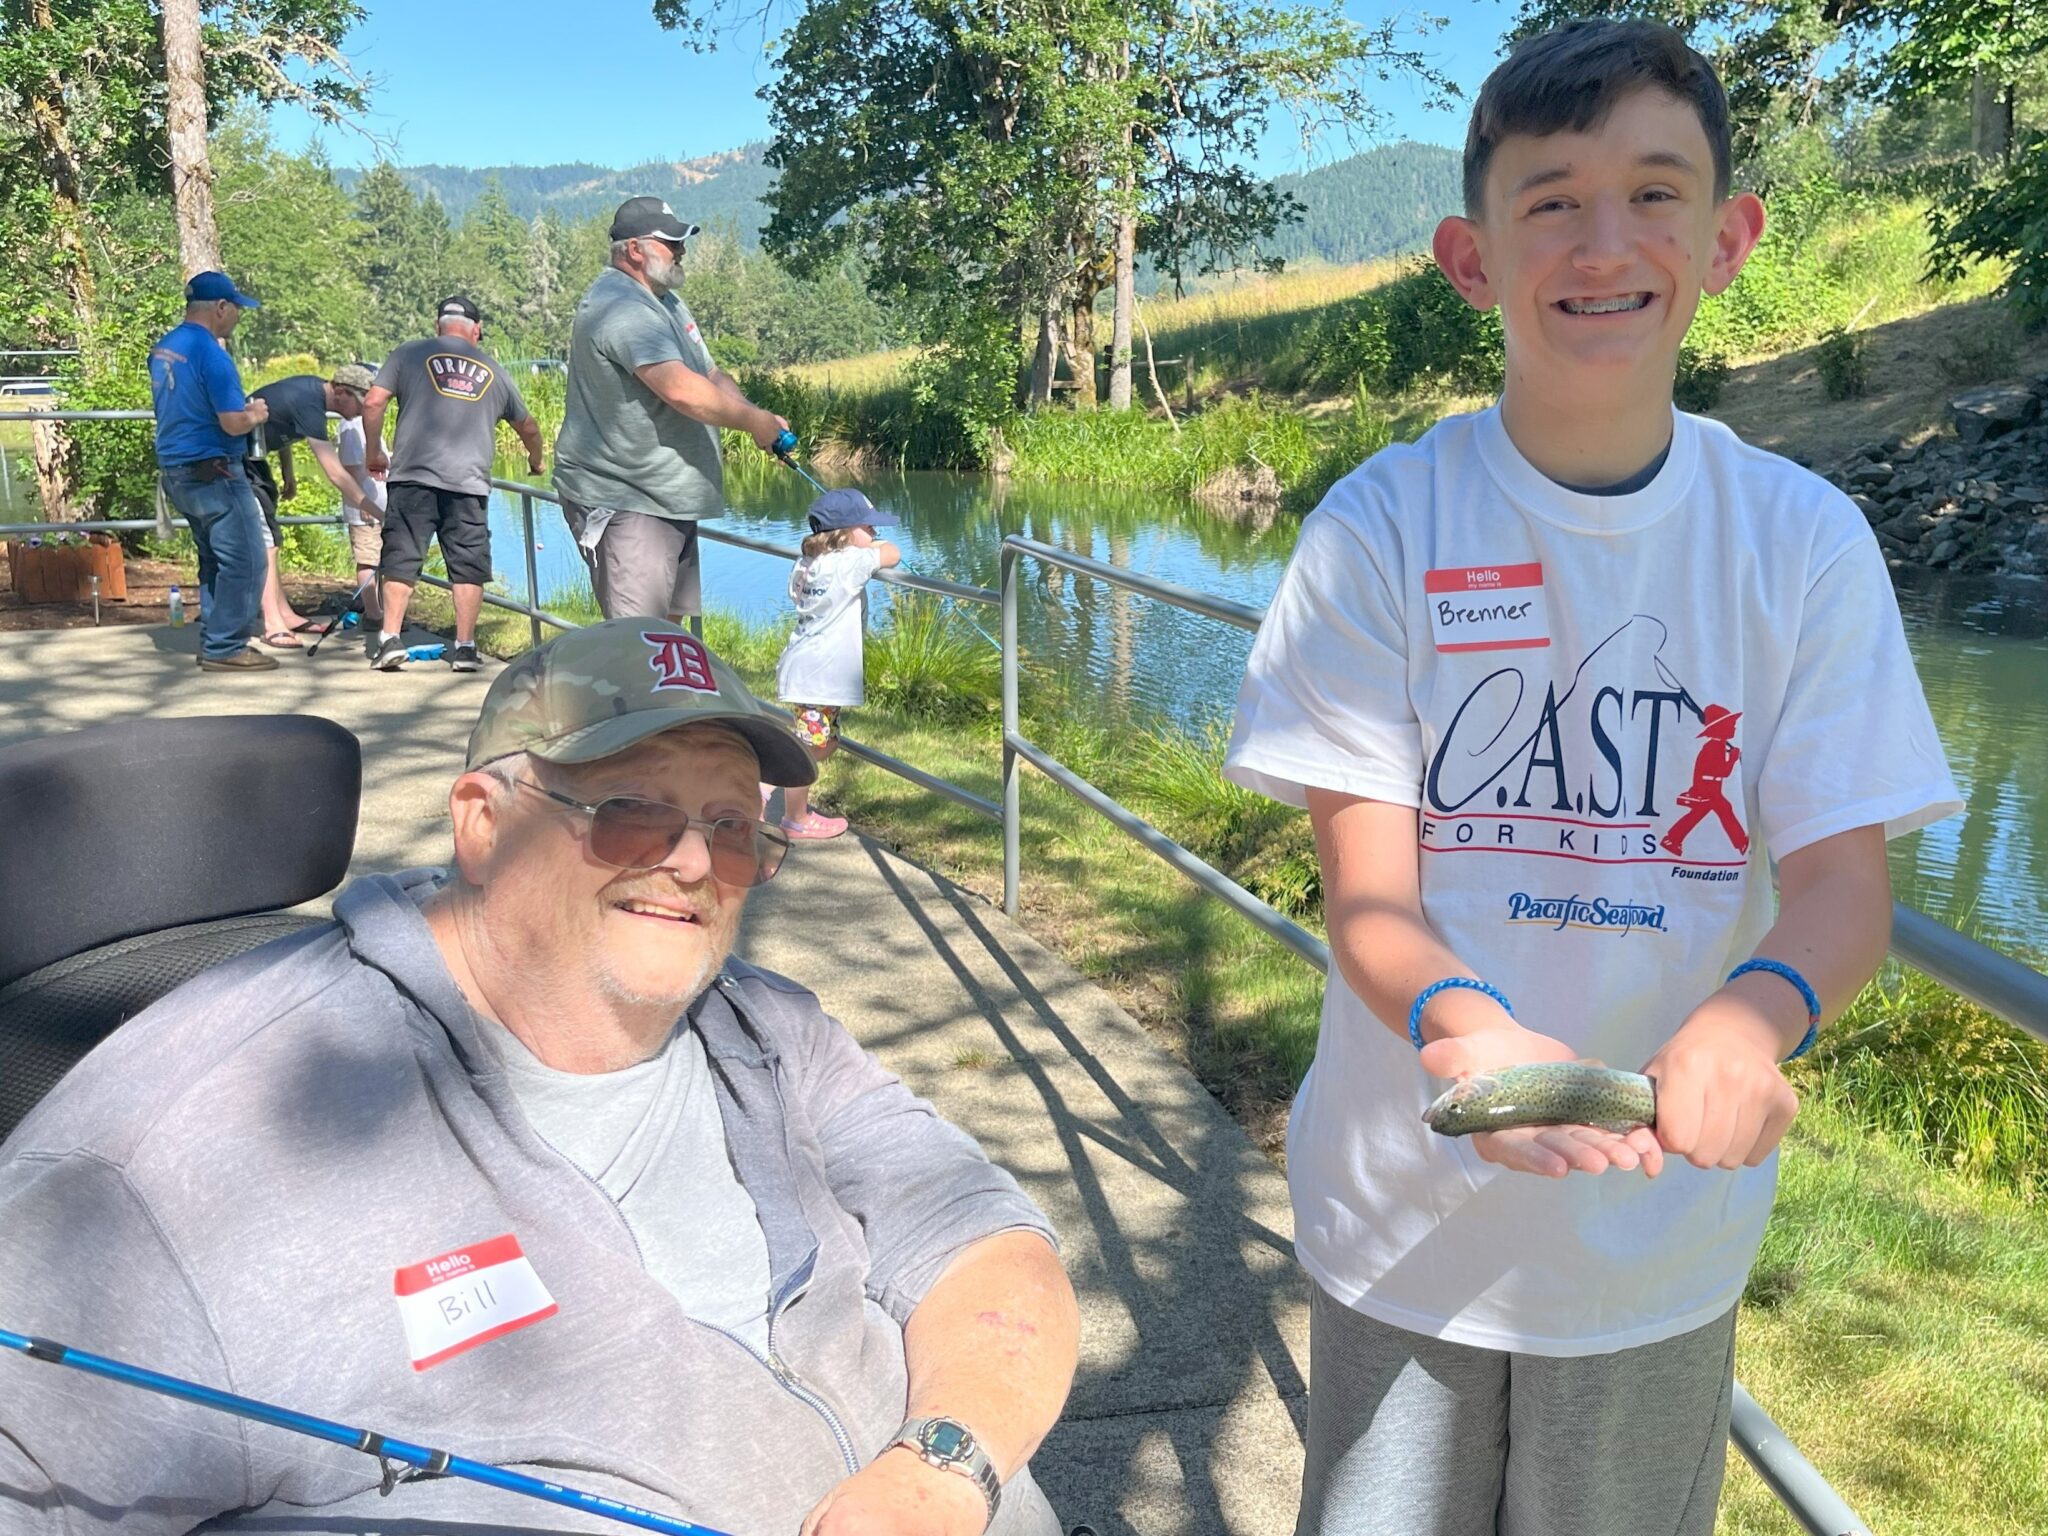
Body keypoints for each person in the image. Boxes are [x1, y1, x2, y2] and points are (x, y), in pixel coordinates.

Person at [1222, 20, 1961, 1535]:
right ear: (1470, 256)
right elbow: (1367, 893)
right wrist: (1462, 1030)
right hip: (1401, 1220)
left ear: (1730, 235)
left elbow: (1841, 892)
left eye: (1654, 192)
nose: (1603, 243)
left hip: (1658, 1249)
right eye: (1550, 199)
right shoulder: (1378, 530)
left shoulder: (1805, 543)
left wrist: (1762, 1014)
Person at [0, 618, 1079, 1536]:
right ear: (482, 820)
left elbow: (981, 1238)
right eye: (631, 812)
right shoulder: (159, 1170)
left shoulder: (764, 1022)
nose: (693, 864)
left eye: (731, 828)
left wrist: (940, 1470)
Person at [555, 196, 790, 624]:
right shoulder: (621, 305)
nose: (681, 250)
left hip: (667, 499)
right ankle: (626, 695)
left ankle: (665, 695)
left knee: (668, 638)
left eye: (681, 241)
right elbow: (680, 389)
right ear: (634, 249)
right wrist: (752, 423)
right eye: (670, 242)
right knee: (639, 642)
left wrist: (758, 417)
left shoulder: (665, 301)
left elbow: (710, 374)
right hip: (627, 499)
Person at [361, 297, 546, 673]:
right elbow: (527, 426)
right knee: (468, 566)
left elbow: (372, 402)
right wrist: (536, 459)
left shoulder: (408, 354)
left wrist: (374, 452)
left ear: (438, 326)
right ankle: (464, 647)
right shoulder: (494, 369)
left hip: (413, 476)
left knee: (401, 557)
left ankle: (391, 639)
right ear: (476, 330)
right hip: (468, 483)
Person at [146, 270, 275, 672]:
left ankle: (215, 637)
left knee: (214, 558)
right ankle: (225, 647)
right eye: (236, 308)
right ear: (220, 308)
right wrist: (254, 414)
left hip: (176, 468)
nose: (238, 316)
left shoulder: (164, 347)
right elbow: (232, 422)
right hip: (216, 470)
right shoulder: (212, 355)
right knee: (249, 560)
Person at [771, 488, 901, 840]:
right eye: (868, 527)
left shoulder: (807, 564)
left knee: (824, 742)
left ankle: (770, 782)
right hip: (819, 674)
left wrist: (861, 546)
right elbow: (893, 554)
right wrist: (873, 549)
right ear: (844, 534)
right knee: (809, 746)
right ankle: (792, 812)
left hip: (805, 667)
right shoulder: (848, 564)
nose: (875, 533)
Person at [242, 362, 380, 649]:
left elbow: (282, 426)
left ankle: (286, 615)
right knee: (266, 542)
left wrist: (288, 473)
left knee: (273, 538)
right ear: (341, 392)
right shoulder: (310, 401)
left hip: (253, 463)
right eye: (360, 403)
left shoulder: (309, 393)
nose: (362, 411)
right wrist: (375, 508)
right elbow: (335, 472)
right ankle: (273, 625)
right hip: (233, 462)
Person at [335, 382, 387, 627]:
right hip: (365, 508)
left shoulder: (366, 424)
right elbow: (351, 467)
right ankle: (373, 612)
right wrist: (364, 503)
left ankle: (384, 608)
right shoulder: (351, 425)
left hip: (380, 503)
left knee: (383, 557)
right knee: (368, 558)